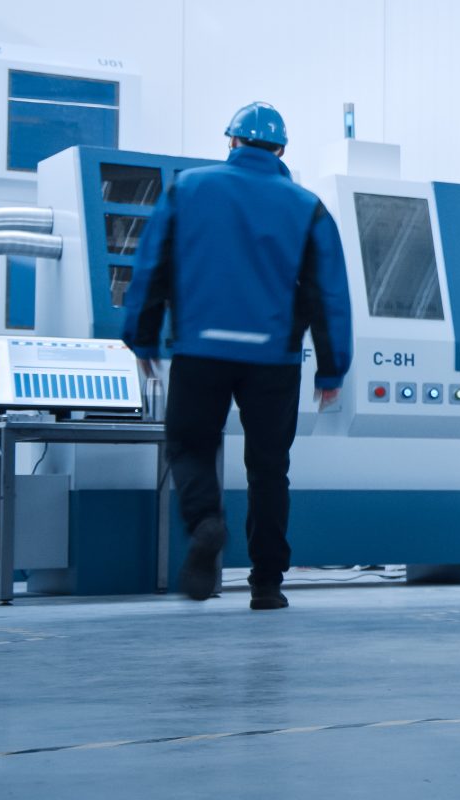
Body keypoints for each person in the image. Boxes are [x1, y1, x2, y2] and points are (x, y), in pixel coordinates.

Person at [124, 103, 353, 609]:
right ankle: (267, 585)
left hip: (200, 350)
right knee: (269, 469)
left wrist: (142, 338)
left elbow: (151, 266)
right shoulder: (307, 205)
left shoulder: (187, 189)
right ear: (281, 151)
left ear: (231, 143)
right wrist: (332, 368)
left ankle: (207, 522)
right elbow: (328, 294)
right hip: (274, 359)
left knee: (190, 447)